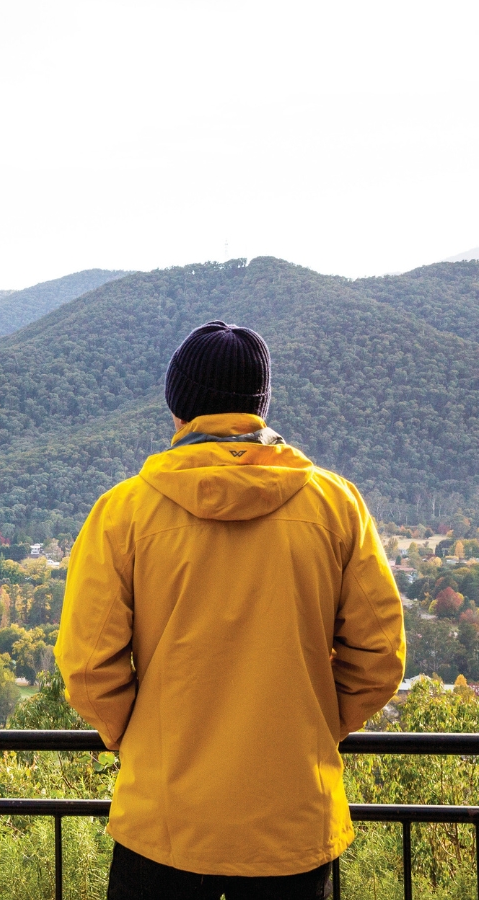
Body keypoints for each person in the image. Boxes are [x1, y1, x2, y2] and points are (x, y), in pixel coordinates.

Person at [56, 321, 405, 898]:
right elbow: (381, 658)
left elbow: (89, 667)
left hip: (164, 822)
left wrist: (141, 742)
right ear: (260, 408)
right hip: (292, 822)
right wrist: (313, 729)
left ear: (179, 406)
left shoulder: (123, 514)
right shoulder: (337, 507)